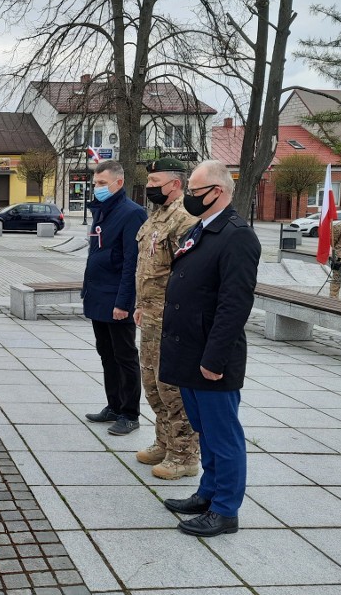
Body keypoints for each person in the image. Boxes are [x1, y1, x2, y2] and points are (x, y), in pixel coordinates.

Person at [159, 159, 261, 537]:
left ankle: (225, 510)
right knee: (206, 433)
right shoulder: (203, 229)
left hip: (211, 358)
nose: (188, 196)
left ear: (217, 192)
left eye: (194, 190)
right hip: (190, 353)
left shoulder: (237, 236)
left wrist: (214, 359)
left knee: (223, 436)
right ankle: (207, 493)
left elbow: (235, 305)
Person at [133, 157, 200, 480]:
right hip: (150, 316)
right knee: (152, 384)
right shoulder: (156, 217)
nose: (149, 187)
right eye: (148, 182)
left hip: (171, 319)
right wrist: (139, 304)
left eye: (155, 182)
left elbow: (186, 274)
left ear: (175, 184)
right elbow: (147, 268)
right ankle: (164, 441)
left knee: (172, 387)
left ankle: (185, 455)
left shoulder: (184, 220)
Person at [83, 160, 147, 435]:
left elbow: (131, 263)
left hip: (116, 300)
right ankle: (114, 405)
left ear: (119, 183)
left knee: (124, 356)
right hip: (98, 296)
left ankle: (130, 413)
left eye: (102, 184)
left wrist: (124, 303)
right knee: (106, 354)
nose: (97, 188)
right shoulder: (103, 211)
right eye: (95, 183)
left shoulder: (131, 213)